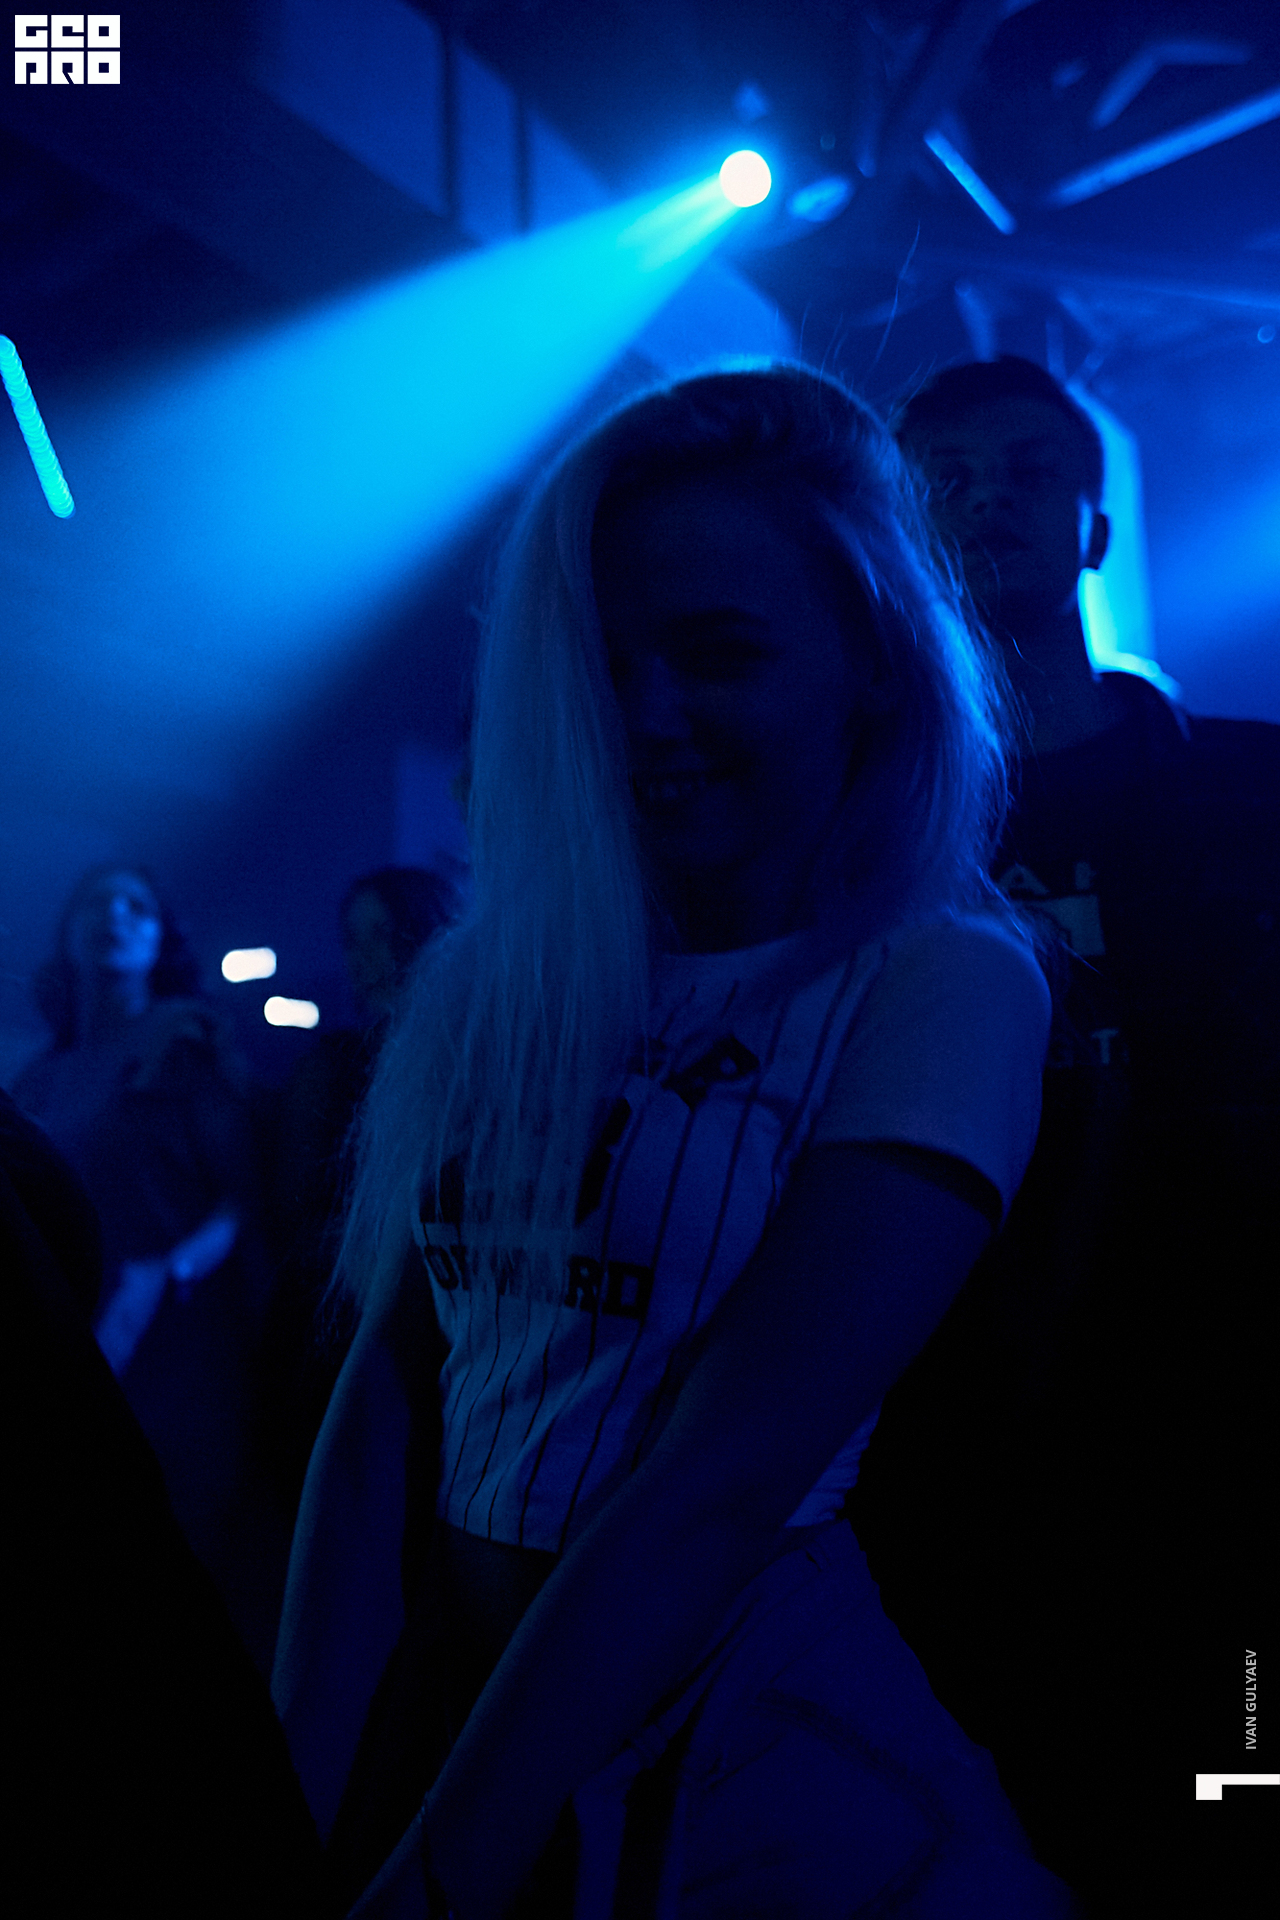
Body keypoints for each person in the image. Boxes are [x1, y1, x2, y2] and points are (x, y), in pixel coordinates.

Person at [273, 364, 1081, 1918]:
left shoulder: (942, 978)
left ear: (872, 664)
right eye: (604, 657)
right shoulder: (498, 970)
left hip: (748, 1732)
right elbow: (386, 1403)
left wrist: (431, 1883)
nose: (647, 716)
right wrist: (286, 1795)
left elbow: (716, 1483)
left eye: (719, 654)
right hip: (460, 1700)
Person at [861, 355, 1280, 1910]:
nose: (991, 501)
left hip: (1222, 1430)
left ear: (1096, 524)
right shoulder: (857, 835)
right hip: (945, 1440)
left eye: (1031, 470)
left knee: (1231, 1806)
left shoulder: (1250, 790)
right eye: (949, 479)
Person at [4, 1083, 324, 1916]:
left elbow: (241, 1215)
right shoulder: (75, 1077)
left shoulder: (184, 1078)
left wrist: (181, 1273)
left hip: (180, 1369)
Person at [12, 864, 284, 1669]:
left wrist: (170, 1272)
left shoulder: (181, 1041)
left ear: (163, 938)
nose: (117, 914)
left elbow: (245, 1197)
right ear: (67, 930)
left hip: (180, 1348)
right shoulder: (41, 1077)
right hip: (74, 1343)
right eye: (98, 900)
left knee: (181, 1576)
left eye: (138, 905)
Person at [265, 865, 464, 1514]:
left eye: (384, 932)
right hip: (348, 1333)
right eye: (353, 939)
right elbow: (296, 1218)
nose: (366, 955)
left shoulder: (483, 1062)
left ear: (428, 929)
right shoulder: (332, 1068)